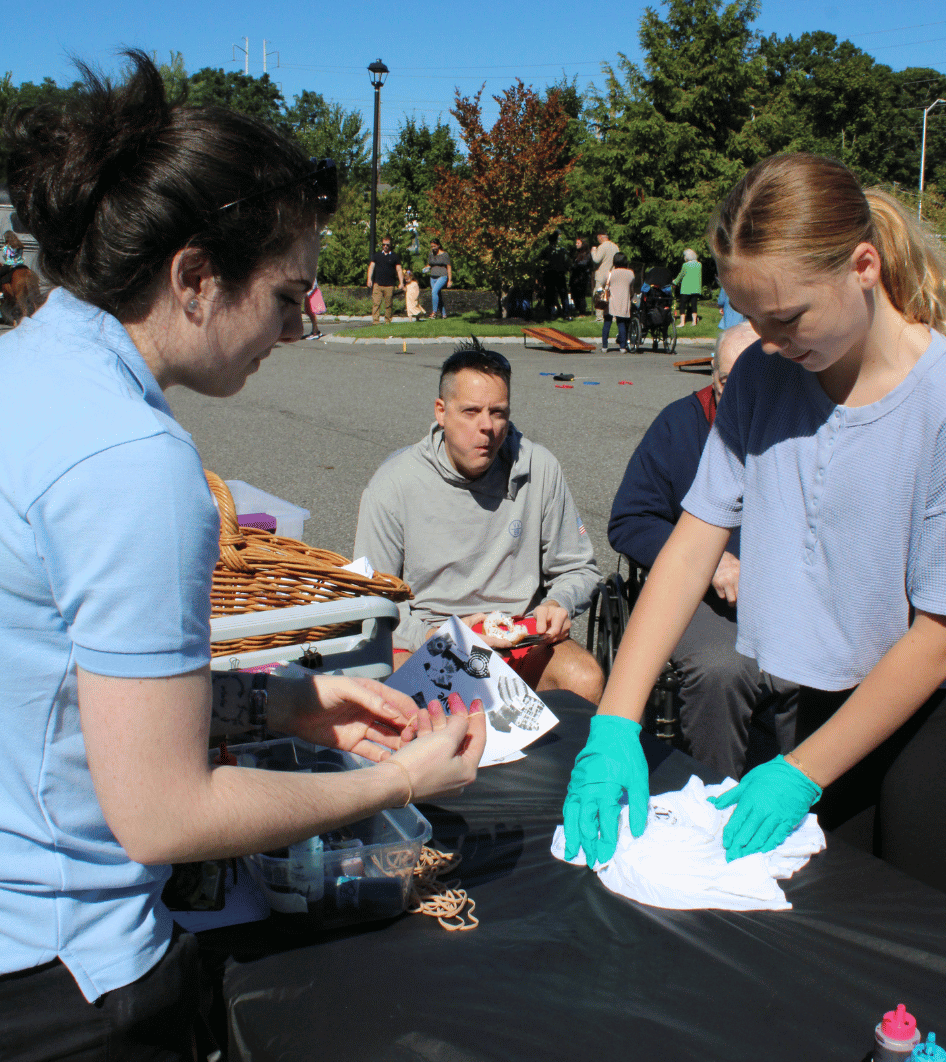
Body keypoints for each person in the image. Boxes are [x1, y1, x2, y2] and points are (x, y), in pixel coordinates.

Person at [0, 52, 485, 1059]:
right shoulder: (130, 460)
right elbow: (165, 813)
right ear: (194, 278)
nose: (299, 327)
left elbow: (65, 689)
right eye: (286, 296)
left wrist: (287, 703)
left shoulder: (28, 371)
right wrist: (398, 785)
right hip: (65, 970)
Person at [563, 152, 946, 913]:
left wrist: (802, 771)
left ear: (863, 267)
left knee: (915, 938)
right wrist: (614, 724)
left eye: (788, 317)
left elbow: (944, 634)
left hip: (936, 712)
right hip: (828, 685)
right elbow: (691, 546)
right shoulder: (765, 380)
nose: (769, 342)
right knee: (820, 925)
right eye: (751, 318)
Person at [353, 340, 605, 703]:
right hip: (432, 635)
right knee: (402, 689)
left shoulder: (539, 467)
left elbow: (578, 568)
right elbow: (371, 598)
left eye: (498, 412)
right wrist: (431, 636)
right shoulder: (394, 483)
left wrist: (558, 603)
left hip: (518, 634)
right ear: (441, 411)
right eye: (470, 411)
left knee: (584, 678)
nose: (487, 426)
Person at [607, 321, 798, 779]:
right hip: (701, 593)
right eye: (730, 380)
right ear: (713, 375)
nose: (744, 394)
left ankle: (798, 790)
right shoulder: (680, 425)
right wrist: (712, 562)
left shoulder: (798, 425)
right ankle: (715, 791)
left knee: (811, 669)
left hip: (785, 593)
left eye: (760, 379)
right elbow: (631, 519)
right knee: (722, 670)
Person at [601, 251, 635, 353]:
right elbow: (631, 286)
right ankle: (622, 347)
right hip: (623, 301)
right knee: (621, 324)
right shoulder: (630, 273)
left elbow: (603, 283)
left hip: (610, 301)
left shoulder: (610, 273)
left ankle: (604, 346)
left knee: (607, 323)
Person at [367, 236, 403, 327]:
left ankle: (388, 321)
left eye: (387, 245)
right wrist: (369, 279)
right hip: (378, 284)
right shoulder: (377, 256)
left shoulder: (394, 256)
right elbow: (371, 267)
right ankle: (375, 321)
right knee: (376, 303)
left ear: (390, 245)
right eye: (383, 244)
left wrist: (401, 282)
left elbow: (399, 270)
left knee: (389, 304)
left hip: (389, 285)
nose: (385, 246)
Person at [590, 229, 619, 321]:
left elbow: (596, 259)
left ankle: (599, 317)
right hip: (612, 273)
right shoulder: (615, 247)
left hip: (602, 274)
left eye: (598, 238)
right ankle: (612, 315)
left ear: (600, 237)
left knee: (599, 294)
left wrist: (593, 251)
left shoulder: (602, 246)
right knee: (611, 295)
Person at [673, 248, 702, 327]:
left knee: (682, 305)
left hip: (686, 288)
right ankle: (694, 322)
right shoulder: (699, 264)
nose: (684, 257)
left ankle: (682, 322)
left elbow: (681, 275)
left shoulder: (685, 265)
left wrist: (674, 282)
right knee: (694, 305)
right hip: (696, 288)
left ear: (687, 257)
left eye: (685, 256)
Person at [426, 238, 452, 319]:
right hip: (433, 276)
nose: (433, 248)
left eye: (434, 246)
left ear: (438, 245)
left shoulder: (445, 255)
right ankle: (444, 314)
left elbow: (449, 267)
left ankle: (434, 312)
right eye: (431, 246)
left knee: (434, 292)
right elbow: (429, 264)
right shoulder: (431, 254)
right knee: (437, 295)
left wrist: (450, 280)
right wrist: (426, 268)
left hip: (442, 276)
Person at [569, 236, 592, 316]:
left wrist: (575, 265)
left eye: (578, 243)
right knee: (574, 294)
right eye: (576, 243)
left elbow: (584, 263)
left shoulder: (587, 253)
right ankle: (578, 309)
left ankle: (582, 311)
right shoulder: (576, 253)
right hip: (575, 276)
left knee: (581, 295)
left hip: (582, 276)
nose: (576, 244)